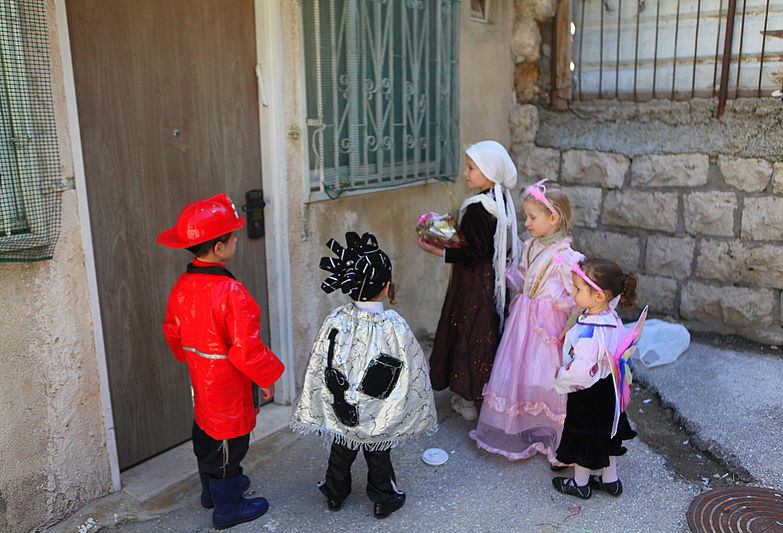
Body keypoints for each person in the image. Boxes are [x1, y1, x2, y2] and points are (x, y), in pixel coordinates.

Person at [158, 194, 285, 529]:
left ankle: (212, 492)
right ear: (218, 248)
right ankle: (227, 508)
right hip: (227, 382)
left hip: (202, 378)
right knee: (229, 443)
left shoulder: (182, 286)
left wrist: (194, 359)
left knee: (205, 432)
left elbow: (172, 331)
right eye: (232, 237)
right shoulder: (231, 291)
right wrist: (266, 378)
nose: (235, 241)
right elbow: (246, 348)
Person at [292, 232, 437, 520]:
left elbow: (320, 360)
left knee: (342, 447)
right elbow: (412, 368)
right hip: (377, 407)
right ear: (385, 287)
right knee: (377, 452)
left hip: (342, 405)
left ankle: (334, 494)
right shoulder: (394, 325)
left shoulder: (337, 319)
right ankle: (384, 498)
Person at [469, 180, 581, 462]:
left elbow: (577, 295)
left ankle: (552, 432)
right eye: (526, 217)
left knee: (544, 376)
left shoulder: (566, 258)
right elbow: (523, 278)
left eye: (532, 217)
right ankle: (527, 427)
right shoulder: (530, 247)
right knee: (521, 373)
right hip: (524, 322)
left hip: (548, 326)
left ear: (553, 218)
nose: (527, 223)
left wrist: (568, 321)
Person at [418, 140, 521, 421]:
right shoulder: (501, 202)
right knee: (486, 331)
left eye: (472, 168)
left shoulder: (478, 207)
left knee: (467, 331)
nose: (466, 173)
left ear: (489, 171)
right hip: (493, 280)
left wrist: (436, 249)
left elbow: (471, 253)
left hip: (473, 282)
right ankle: (484, 392)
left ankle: (467, 399)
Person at [551, 258, 639, 500]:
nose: (573, 293)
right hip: (610, 388)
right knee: (607, 431)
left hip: (588, 391)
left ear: (599, 296)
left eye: (578, 289)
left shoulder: (591, 330)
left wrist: (562, 378)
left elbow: (581, 369)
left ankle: (580, 483)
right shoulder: (612, 319)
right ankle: (610, 479)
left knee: (586, 435)